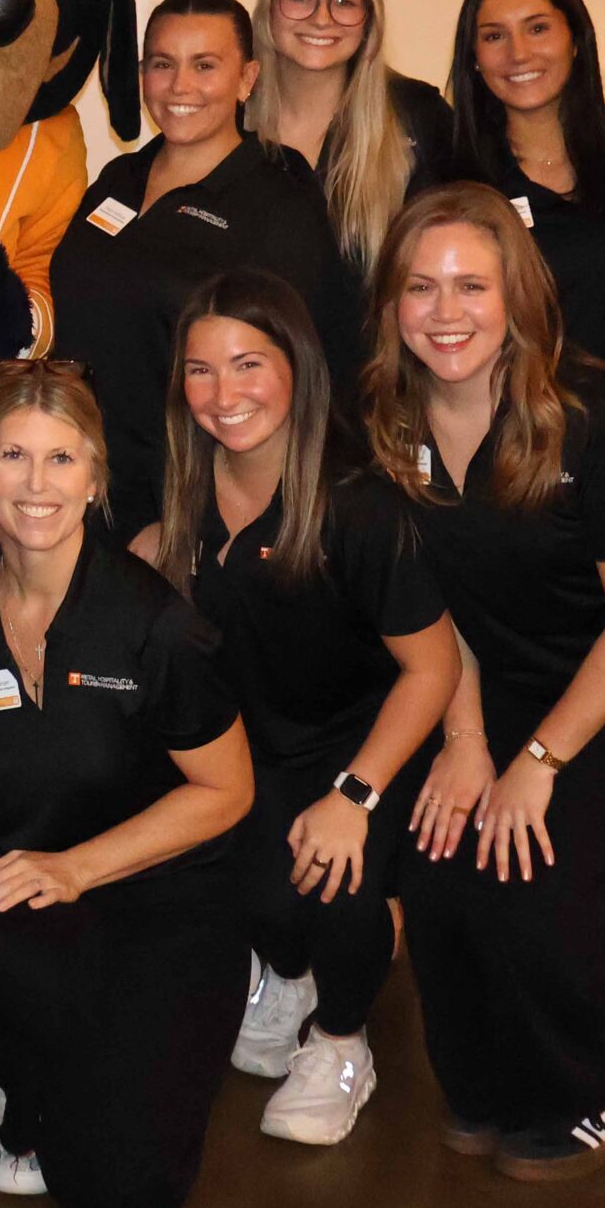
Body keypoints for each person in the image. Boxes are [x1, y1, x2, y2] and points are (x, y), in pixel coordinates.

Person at [364, 184, 605, 1179]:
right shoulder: (388, 421)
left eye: (472, 286)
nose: (445, 312)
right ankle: (485, 1085)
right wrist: (464, 742)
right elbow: (430, 605)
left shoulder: (593, 415)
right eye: (420, 288)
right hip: (503, 675)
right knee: (435, 865)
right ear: (391, 305)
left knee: (536, 868)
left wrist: (536, 760)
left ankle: (591, 1092)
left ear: (517, 297)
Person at [134, 270, 458, 1146]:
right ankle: (286, 975)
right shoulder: (184, 492)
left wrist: (355, 797)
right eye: (201, 370)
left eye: (248, 364)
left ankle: (344, 1038)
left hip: (361, 747)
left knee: (331, 879)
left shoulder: (357, 505)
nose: (223, 394)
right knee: (244, 889)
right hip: (252, 750)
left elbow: (432, 668)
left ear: (297, 369)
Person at [0, 361, 253, 1208]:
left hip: (163, 896)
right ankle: (5, 1065)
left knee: (122, 1188)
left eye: (61, 458)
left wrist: (78, 867)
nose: (35, 484)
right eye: (12, 455)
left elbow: (228, 791)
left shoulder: (156, 624)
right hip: (19, 899)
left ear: (94, 478)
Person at [51, 0, 352, 540]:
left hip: (190, 509)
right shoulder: (117, 179)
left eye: (205, 65)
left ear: (247, 79)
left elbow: (318, 369)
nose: (179, 86)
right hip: (78, 491)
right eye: (162, 64)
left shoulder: (278, 198)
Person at [444, 0, 605, 382]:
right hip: (522, 417)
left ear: (575, 39)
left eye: (538, 29)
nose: (518, 53)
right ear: (474, 57)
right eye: (494, 36)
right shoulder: (457, 186)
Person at [247, 0, 453, 281]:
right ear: (269, 9)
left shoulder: (419, 115)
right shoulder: (229, 118)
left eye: (345, 3)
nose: (321, 18)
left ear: (369, 21)